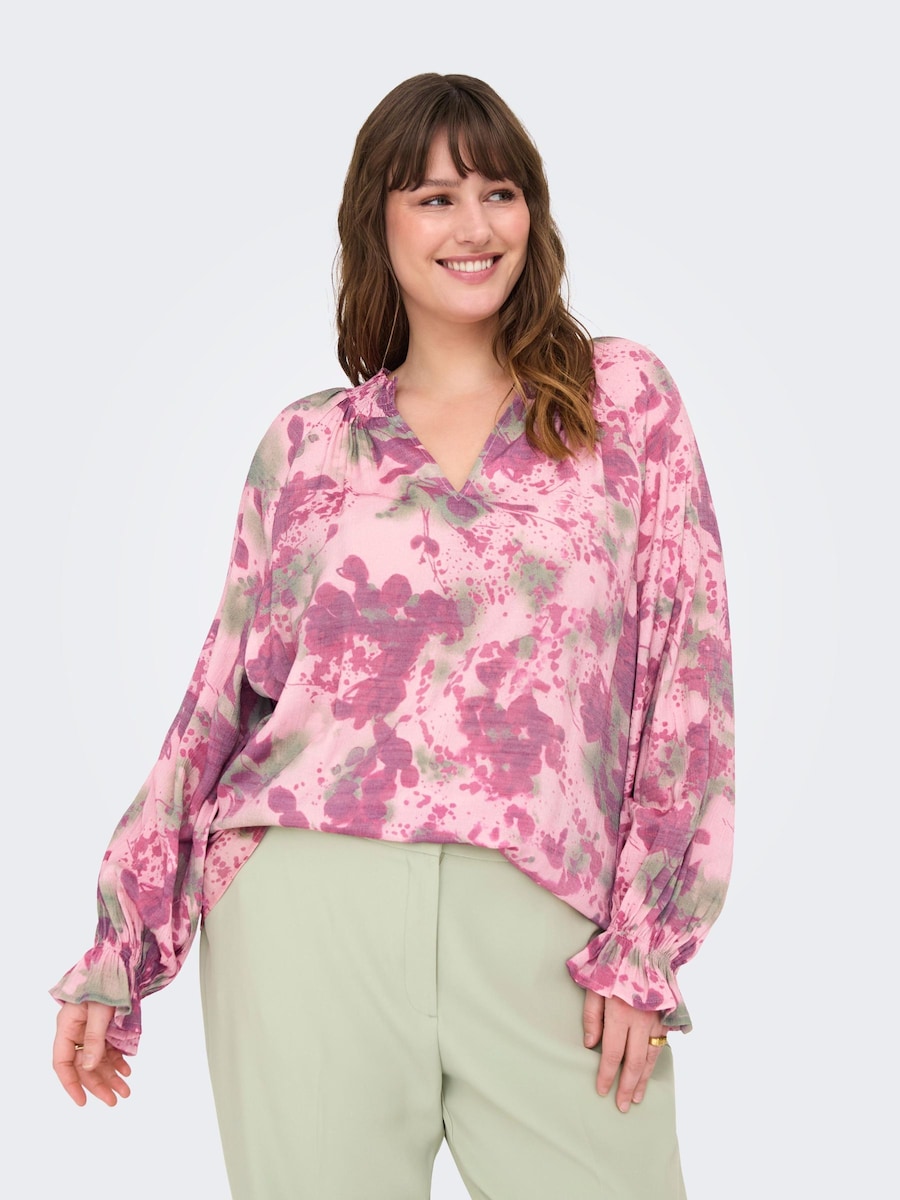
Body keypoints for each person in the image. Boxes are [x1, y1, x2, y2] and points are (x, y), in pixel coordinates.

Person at [51, 73, 734, 1199]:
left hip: (548, 926)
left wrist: (643, 945)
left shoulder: (623, 402)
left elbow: (686, 679)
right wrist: (120, 949)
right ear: (378, 221)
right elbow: (222, 700)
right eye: (434, 198)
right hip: (305, 909)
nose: (475, 226)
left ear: (533, 212)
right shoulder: (309, 446)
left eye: (500, 193)